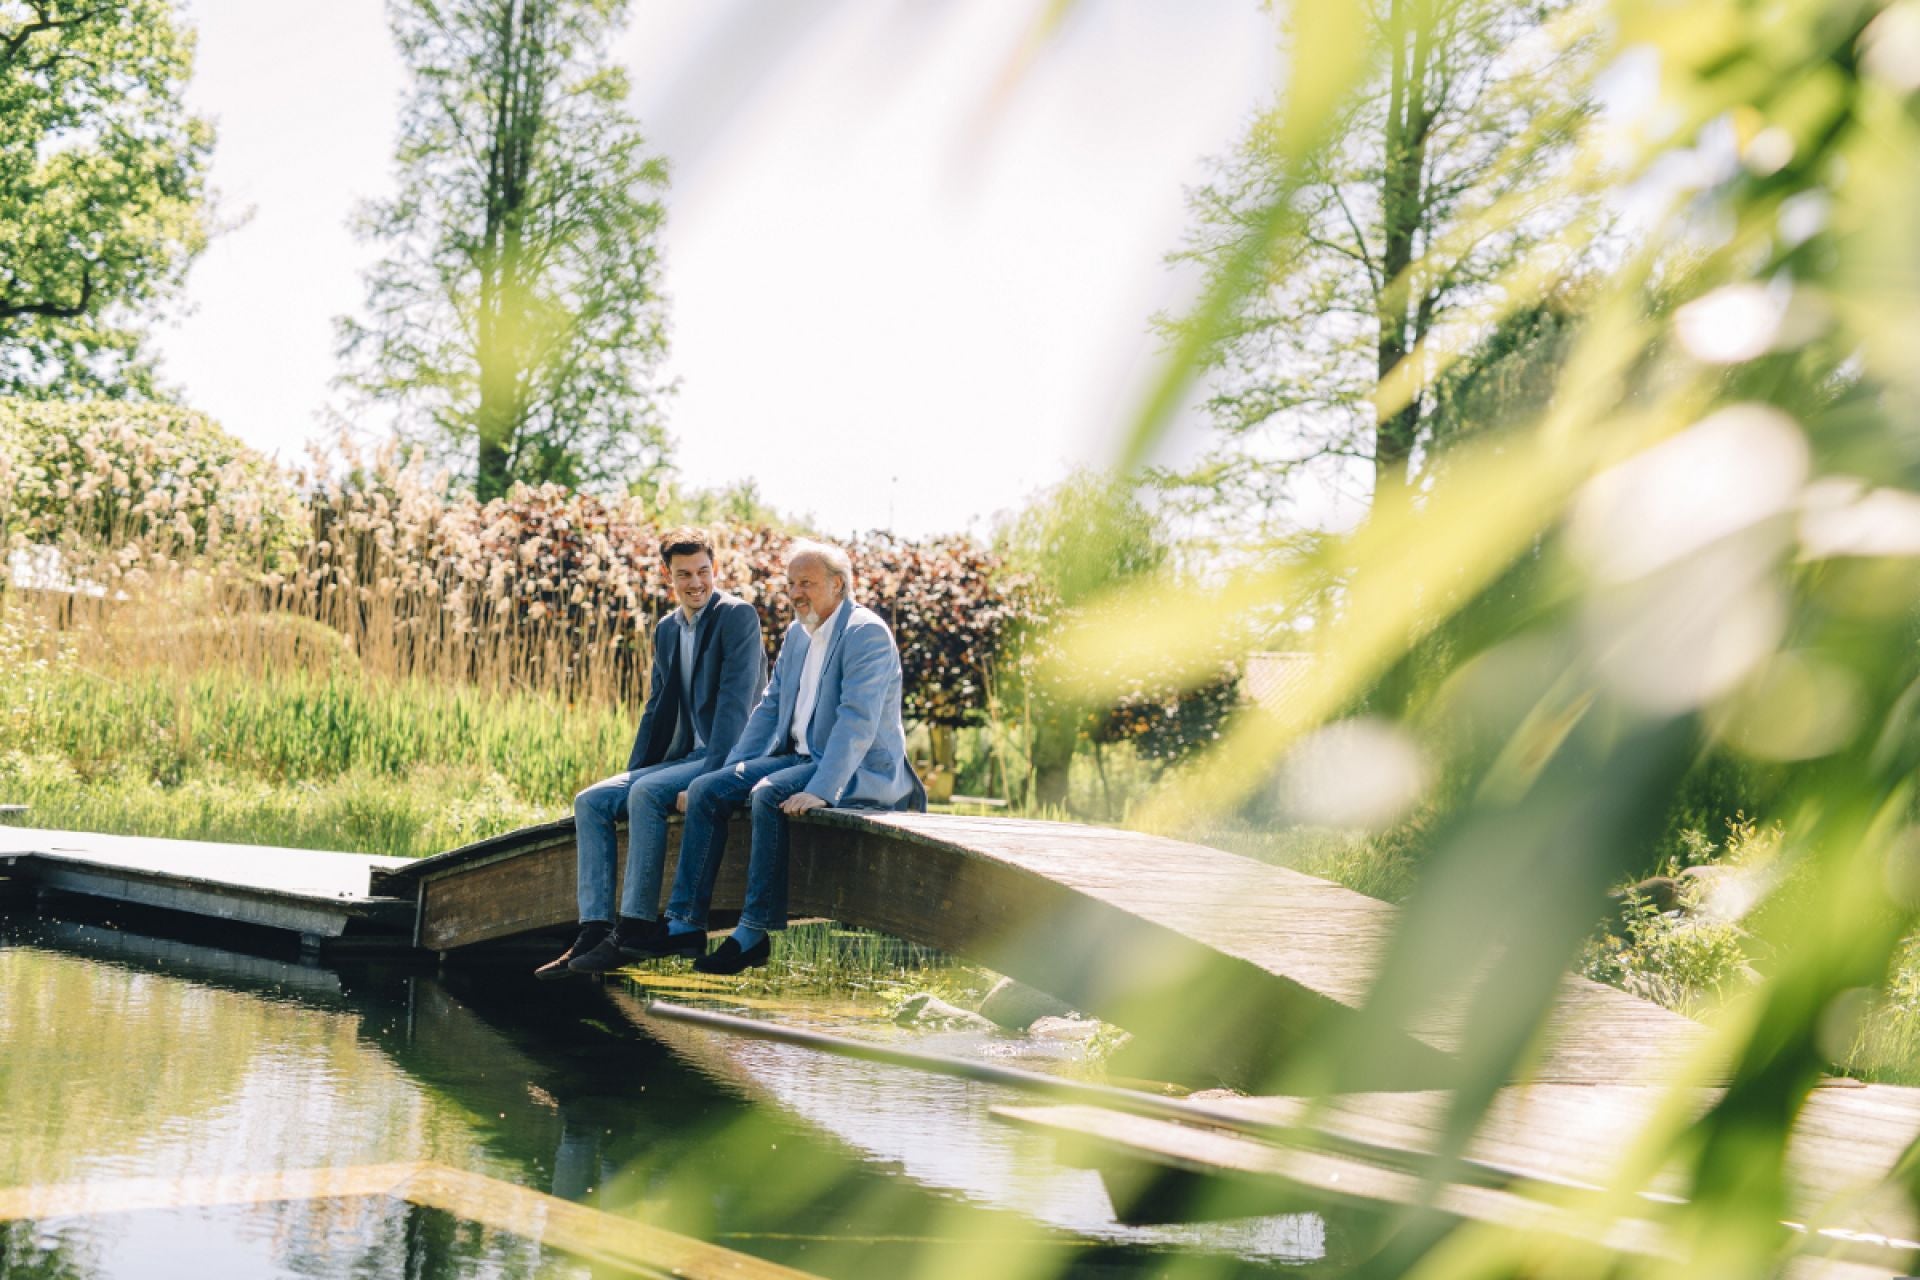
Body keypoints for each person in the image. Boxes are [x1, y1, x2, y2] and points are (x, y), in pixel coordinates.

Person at [659, 538, 925, 975]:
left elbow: (857, 721)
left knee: (767, 794)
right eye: (792, 584)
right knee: (708, 789)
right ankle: (684, 921)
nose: (797, 592)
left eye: (808, 583)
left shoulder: (866, 632)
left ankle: (752, 934)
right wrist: (731, 772)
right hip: (798, 757)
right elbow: (768, 708)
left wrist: (822, 789)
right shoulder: (797, 634)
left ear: (838, 585)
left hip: (855, 770)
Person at [535, 530, 766, 979]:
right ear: (668, 576)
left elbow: (737, 706)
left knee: (645, 795)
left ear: (713, 569)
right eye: (684, 574)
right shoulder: (666, 629)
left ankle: (635, 926)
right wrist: (633, 772)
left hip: (729, 755)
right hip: (683, 757)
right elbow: (656, 706)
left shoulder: (736, 617)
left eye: (703, 571)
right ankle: (594, 929)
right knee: (592, 801)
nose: (696, 582)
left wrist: (709, 781)